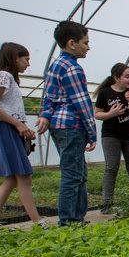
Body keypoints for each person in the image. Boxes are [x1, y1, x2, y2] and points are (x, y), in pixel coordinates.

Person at [37, 20, 96, 227]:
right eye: (85, 42)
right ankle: (69, 221)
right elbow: (82, 103)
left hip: (59, 126)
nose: (88, 47)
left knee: (77, 172)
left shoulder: (56, 65)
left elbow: (49, 97)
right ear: (72, 43)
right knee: (73, 175)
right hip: (71, 125)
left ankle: (76, 218)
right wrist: (92, 132)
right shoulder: (72, 68)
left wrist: (46, 115)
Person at [0, 42, 44, 231]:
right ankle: (38, 222)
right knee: (23, 176)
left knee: (12, 178)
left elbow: (9, 109)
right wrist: (17, 124)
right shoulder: (4, 75)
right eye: (26, 59)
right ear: (15, 58)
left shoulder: (10, 79)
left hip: (9, 128)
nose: (28, 64)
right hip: (4, 128)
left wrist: (23, 127)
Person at [94, 63, 129, 213]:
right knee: (111, 167)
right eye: (127, 76)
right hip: (111, 135)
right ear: (116, 77)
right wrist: (110, 114)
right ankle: (107, 204)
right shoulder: (105, 93)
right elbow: (97, 114)